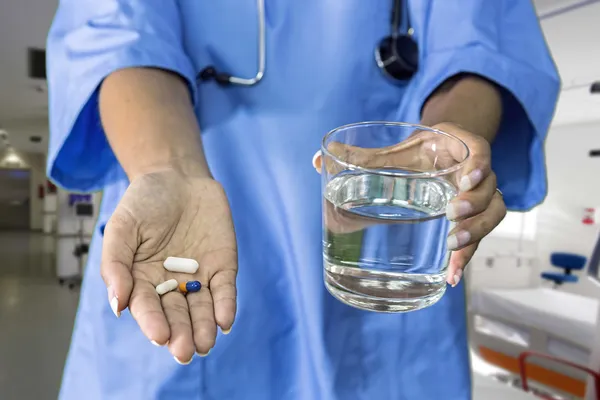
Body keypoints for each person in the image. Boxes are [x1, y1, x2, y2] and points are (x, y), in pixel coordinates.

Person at [46, 0, 559, 398]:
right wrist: (167, 169)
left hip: (387, 270)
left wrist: (449, 143)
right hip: (177, 251)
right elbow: (117, 34)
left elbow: (480, 39)